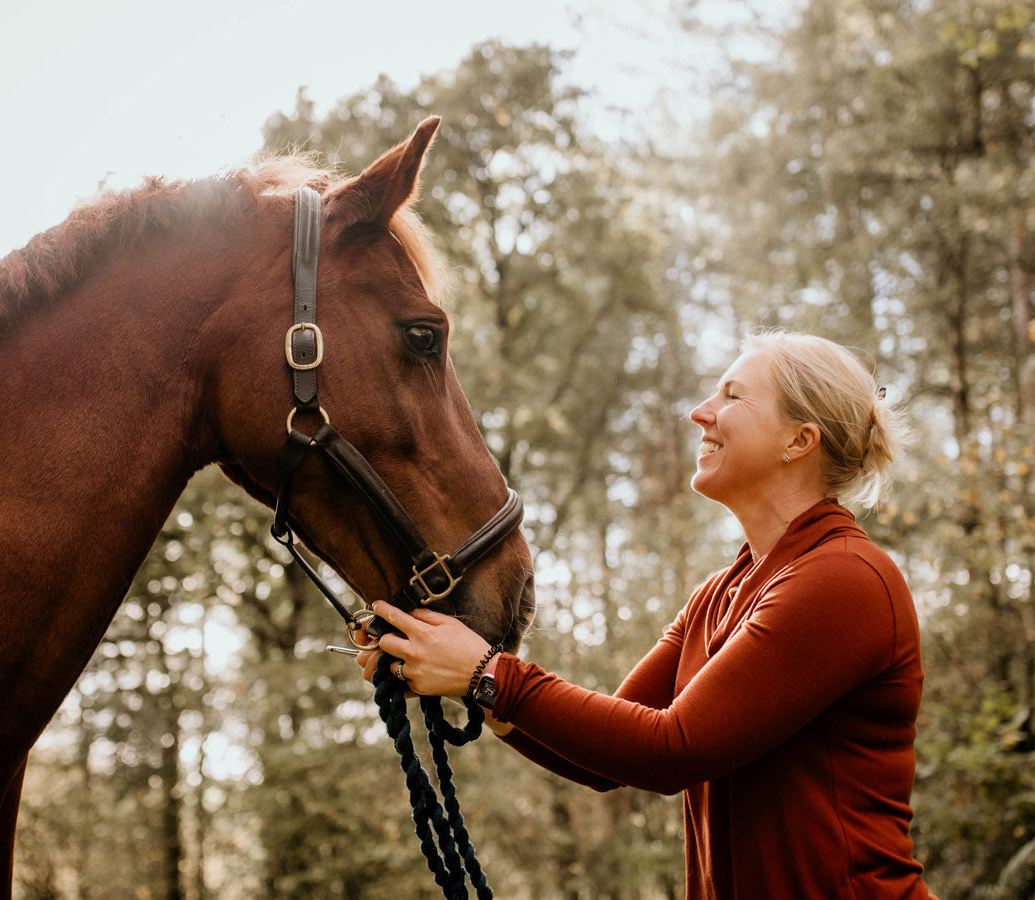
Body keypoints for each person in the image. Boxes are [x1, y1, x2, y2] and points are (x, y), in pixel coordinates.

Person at [357, 329, 935, 899]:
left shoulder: (844, 578)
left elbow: (670, 750)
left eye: (732, 396)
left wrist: (486, 674)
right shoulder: (719, 594)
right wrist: (458, 672)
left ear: (799, 440)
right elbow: (611, 756)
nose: (700, 413)